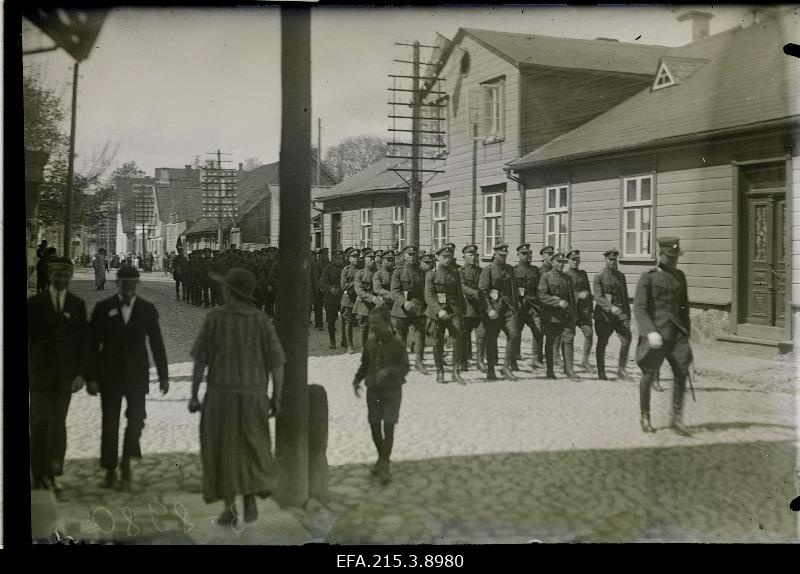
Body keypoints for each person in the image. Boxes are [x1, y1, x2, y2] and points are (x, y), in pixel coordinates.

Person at [188, 267, 285, 526]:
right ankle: (250, 501)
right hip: (254, 398)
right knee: (252, 449)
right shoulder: (261, 320)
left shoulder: (215, 318)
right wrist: (276, 397)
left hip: (221, 397)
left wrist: (194, 395)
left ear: (229, 291)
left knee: (222, 450)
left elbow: (200, 361)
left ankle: (229, 508)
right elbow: (277, 363)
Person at [87, 266, 170, 490]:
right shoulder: (103, 308)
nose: (128, 287)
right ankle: (111, 470)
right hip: (109, 375)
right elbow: (92, 345)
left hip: (136, 375)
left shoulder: (147, 309)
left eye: (132, 283)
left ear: (137, 284)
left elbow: (157, 344)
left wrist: (164, 376)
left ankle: (127, 462)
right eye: (124, 283)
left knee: (137, 420)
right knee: (110, 423)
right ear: (117, 284)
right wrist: (91, 377)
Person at [28, 257, 89, 492]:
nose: (62, 279)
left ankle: (53, 473)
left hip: (65, 377)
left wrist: (80, 373)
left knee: (58, 424)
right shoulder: (34, 304)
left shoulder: (76, 305)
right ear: (49, 276)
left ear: (71, 277)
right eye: (58, 275)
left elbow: (84, 341)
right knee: (40, 421)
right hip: (39, 374)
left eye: (66, 275)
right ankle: (37, 473)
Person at [634, 237, 693, 436]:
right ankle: (645, 416)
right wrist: (649, 331)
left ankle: (676, 418)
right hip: (656, 334)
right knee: (648, 374)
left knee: (682, 372)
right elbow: (640, 309)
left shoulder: (680, 277)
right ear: (661, 255)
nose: (674, 261)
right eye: (670, 257)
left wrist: (686, 333)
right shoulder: (648, 277)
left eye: (676, 257)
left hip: (676, 335)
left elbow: (684, 308)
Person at [352, 305, 409, 485]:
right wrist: (356, 380)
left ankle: (384, 464)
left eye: (376, 323)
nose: (373, 327)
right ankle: (382, 458)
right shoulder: (369, 343)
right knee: (375, 425)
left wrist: (389, 371)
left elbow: (405, 368)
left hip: (392, 391)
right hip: (374, 390)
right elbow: (364, 365)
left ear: (387, 322)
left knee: (389, 427)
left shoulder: (398, 344)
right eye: (371, 324)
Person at [425, 245, 466, 385]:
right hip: (437, 312)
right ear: (437, 257)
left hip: (453, 310)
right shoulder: (431, 274)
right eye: (444, 257)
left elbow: (459, 294)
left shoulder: (455, 273)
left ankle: (455, 371)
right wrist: (438, 310)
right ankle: (440, 371)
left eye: (450, 257)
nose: (447, 260)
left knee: (457, 340)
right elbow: (429, 296)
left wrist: (462, 312)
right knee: (437, 342)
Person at [478, 243, 520, 381]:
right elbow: (483, 292)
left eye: (505, 255)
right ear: (494, 254)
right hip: (493, 310)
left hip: (508, 309)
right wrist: (489, 309)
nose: (503, 258)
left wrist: (515, 308)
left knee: (513, 334)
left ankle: (506, 367)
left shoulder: (509, 269)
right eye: (501, 255)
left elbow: (513, 289)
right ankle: (490, 370)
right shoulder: (488, 270)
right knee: (491, 339)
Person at [538, 250, 580, 381]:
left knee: (568, 341)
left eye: (563, 262)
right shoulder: (546, 277)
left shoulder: (567, 278)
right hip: (551, 317)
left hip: (566, 316)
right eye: (559, 262)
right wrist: (557, 301)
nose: (561, 264)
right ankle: (550, 370)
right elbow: (542, 295)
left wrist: (574, 314)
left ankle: (569, 369)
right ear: (552, 262)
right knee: (550, 343)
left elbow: (572, 298)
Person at [593, 247, 633, 381]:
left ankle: (621, 370)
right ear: (605, 260)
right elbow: (598, 298)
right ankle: (601, 371)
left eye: (615, 260)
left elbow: (625, 298)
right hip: (604, 317)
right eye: (610, 260)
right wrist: (611, 308)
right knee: (602, 343)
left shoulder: (620, 276)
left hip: (619, 316)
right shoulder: (599, 276)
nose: (612, 262)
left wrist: (627, 316)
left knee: (627, 338)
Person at [390, 245, 427, 374]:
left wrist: (425, 307)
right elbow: (395, 290)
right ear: (404, 257)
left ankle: (419, 362)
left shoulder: (421, 271)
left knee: (420, 335)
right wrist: (404, 302)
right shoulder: (398, 272)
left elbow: (424, 291)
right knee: (401, 336)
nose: (412, 257)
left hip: (418, 308)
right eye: (410, 255)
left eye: (414, 255)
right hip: (401, 309)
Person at [511, 243, 544, 371]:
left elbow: (540, 288)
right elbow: (511, 289)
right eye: (524, 254)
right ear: (518, 255)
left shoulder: (535, 270)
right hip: (520, 307)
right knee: (515, 333)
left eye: (528, 253)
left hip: (533, 306)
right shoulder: (513, 270)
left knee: (538, 331)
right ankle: (513, 360)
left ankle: (537, 359)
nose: (527, 256)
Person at [565, 249, 595, 373]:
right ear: (568, 261)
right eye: (573, 260)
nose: (575, 262)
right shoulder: (565, 275)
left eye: (577, 260)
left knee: (589, 334)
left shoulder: (583, 273)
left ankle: (585, 361)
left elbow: (588, 291)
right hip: (571, 312)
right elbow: (564, 294)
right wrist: (578, 295)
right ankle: (568, 365)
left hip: (583, 311)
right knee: (569, 338)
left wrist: (591, 309)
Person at [458, 244, 486, 373]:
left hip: (480, 309)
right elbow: (463, 287)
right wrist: (477, 293)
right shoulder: (460, 272)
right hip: (466, 310)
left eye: (475, 255)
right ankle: (463, 362)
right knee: (464, 336)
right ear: (464, 257)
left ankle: (480, 361)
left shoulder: (482, 271)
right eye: (470, 255)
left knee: (481, 335)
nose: (473, 257)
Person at [354, 248, 381, 348]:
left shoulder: (378, 273)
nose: (374, 261)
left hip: (377, 304)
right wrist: (372, 298)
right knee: (364, 327)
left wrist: (379, 297)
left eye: (374, 259)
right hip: (364, 303)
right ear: (365, 260)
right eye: (371, 259)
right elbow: (359, 290)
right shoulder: (359, 274)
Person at [319, 250, 345, 349]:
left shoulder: (345, 268)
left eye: (340, 258)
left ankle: (344, 340)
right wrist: (330, 288)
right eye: (336, 258)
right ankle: (332, 341)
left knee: (346, 320)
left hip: (343, 298)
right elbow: (321, 283)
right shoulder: (328, 268)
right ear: (333, 259)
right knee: (331, 321)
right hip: (331, 299)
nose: (339, 260)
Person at [340, 248, 360, 353]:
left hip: (360, 299)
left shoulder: (362, 269)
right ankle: (349, 345)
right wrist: (356, 282)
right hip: (349, 300)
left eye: (357, 257)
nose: (356, 259)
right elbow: (343, 286)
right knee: (348, 322)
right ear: (349, 258)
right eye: (354, 257)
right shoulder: (346, 270)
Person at [312, 248, 330, 331]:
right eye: (324, 254)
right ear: (320, 255)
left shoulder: (330, 264)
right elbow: (316, 278)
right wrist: (320, 287)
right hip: (319, 289)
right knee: (318, 307)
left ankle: (330, 323)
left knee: (329, 307)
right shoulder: (317, 264)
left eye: (326, 254)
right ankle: (319, 324)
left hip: (328, 288)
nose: (325, 256)